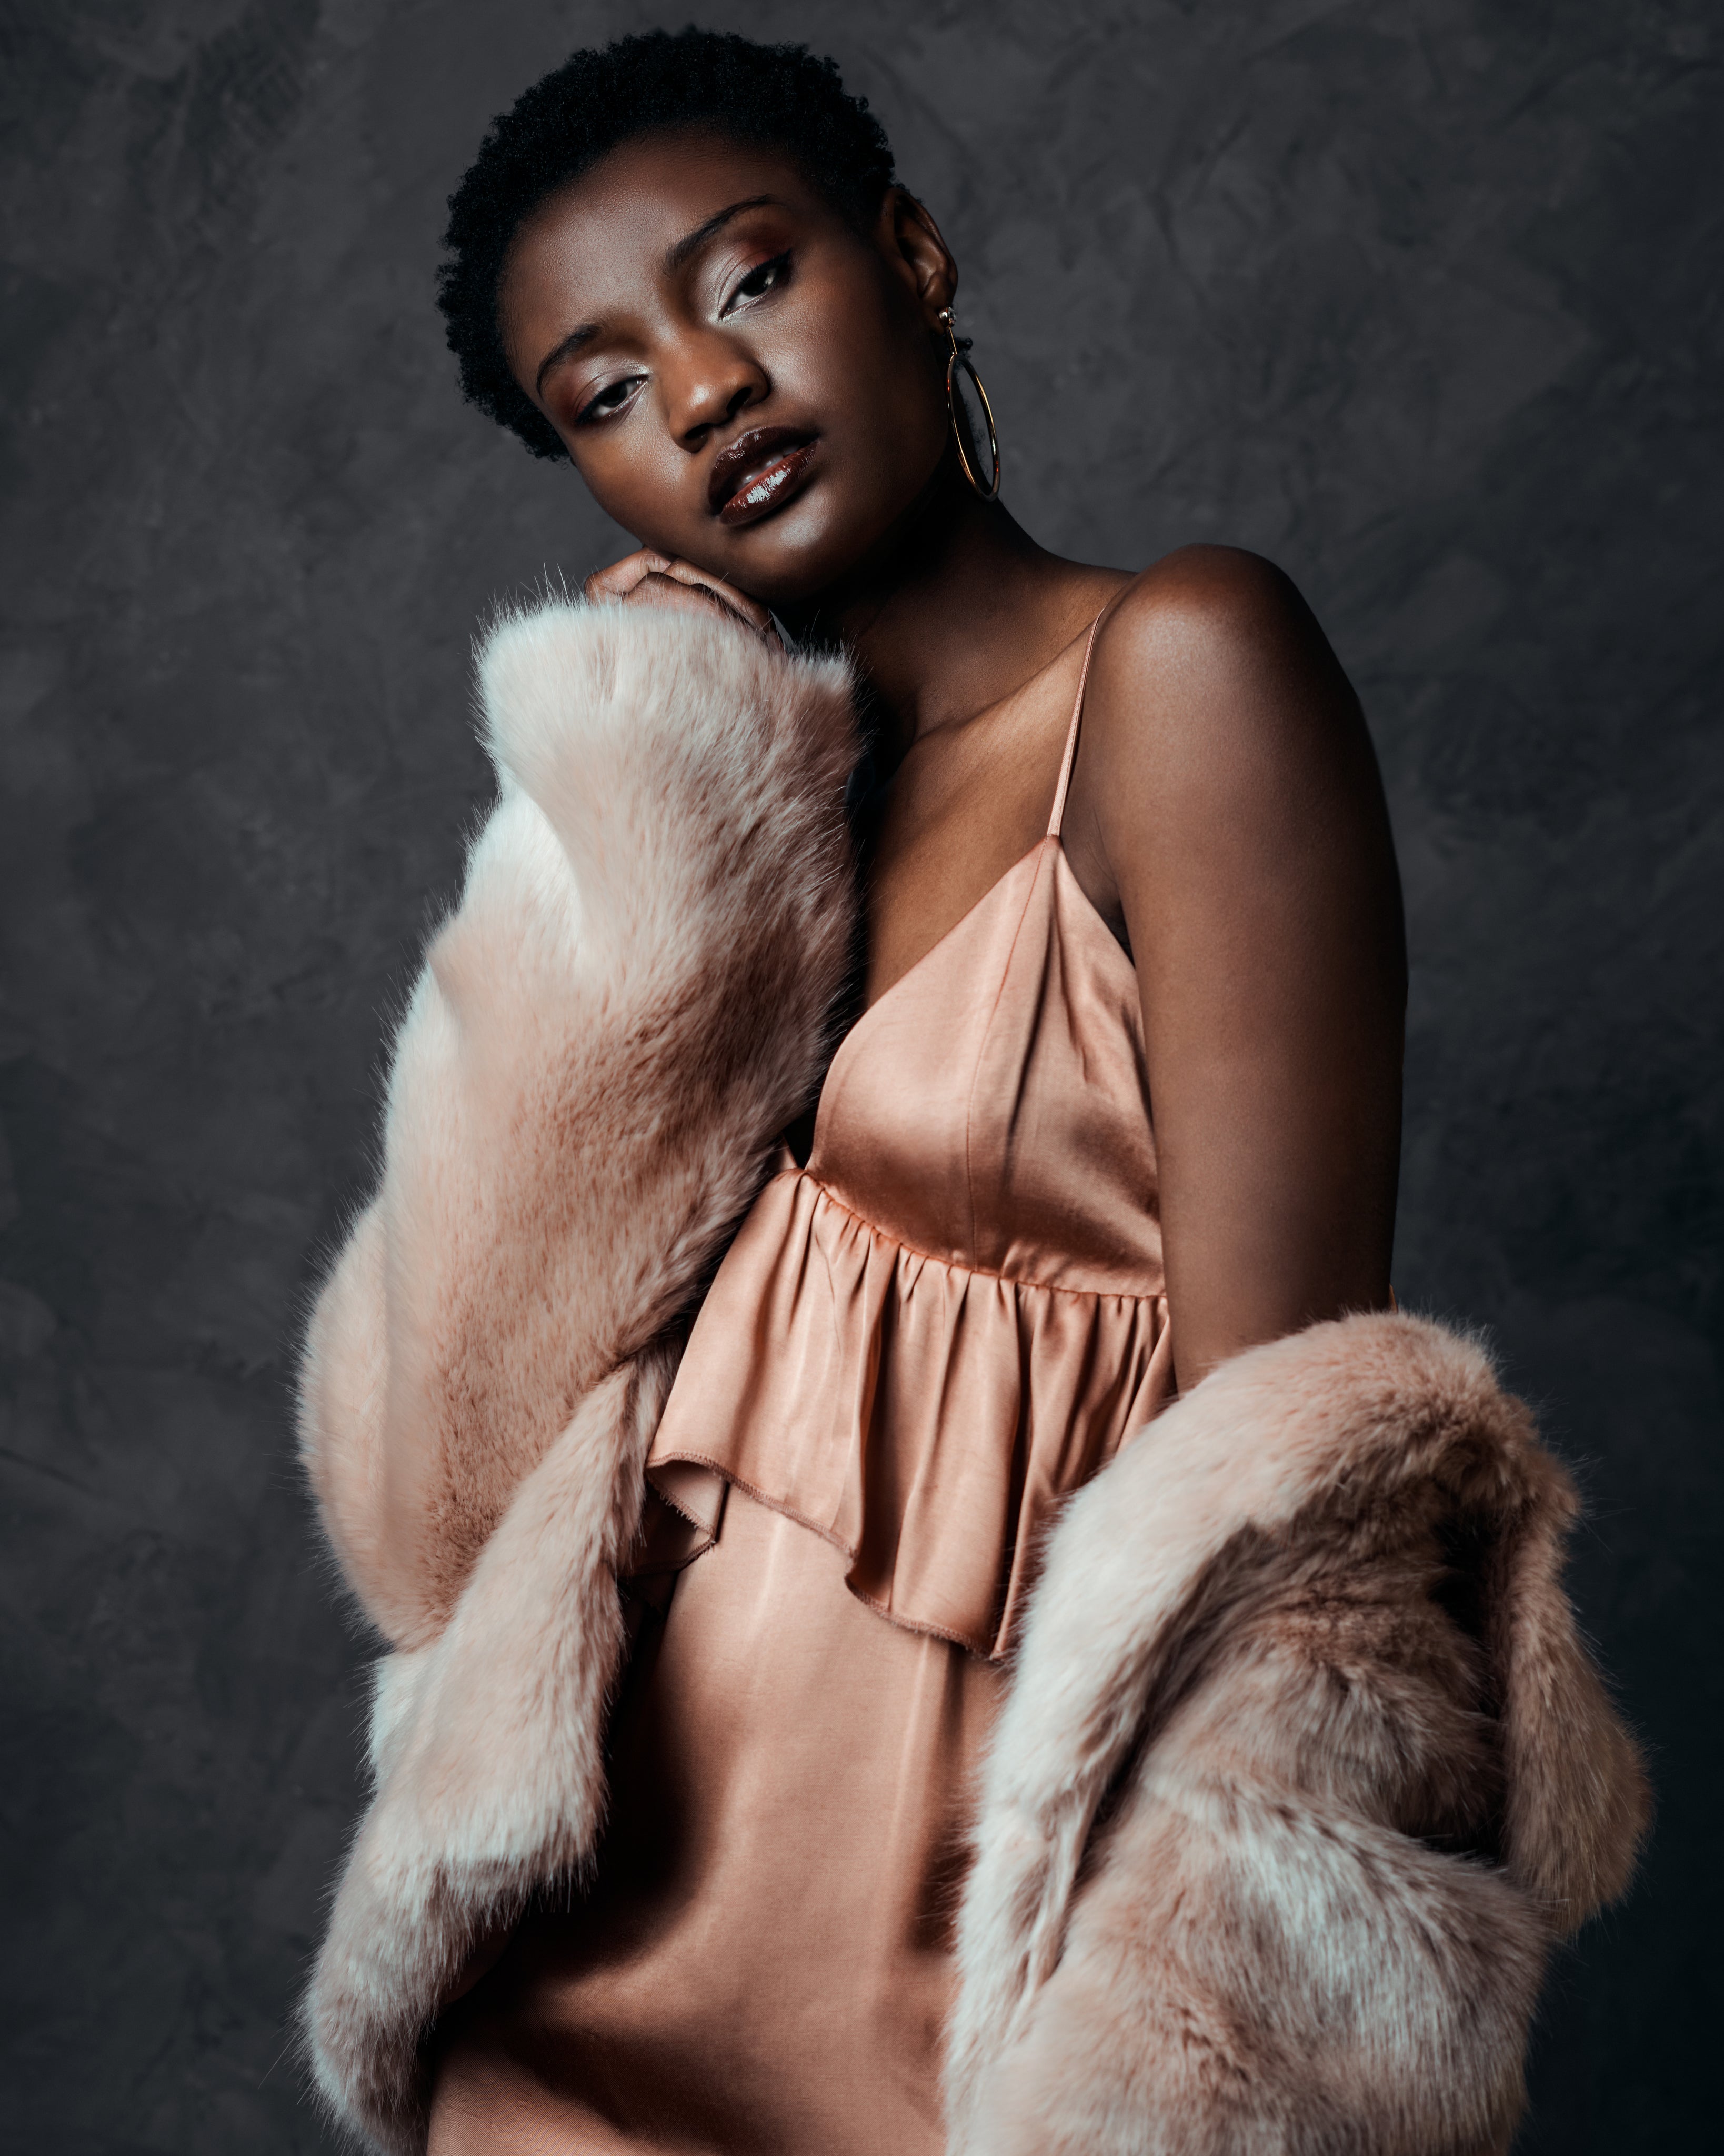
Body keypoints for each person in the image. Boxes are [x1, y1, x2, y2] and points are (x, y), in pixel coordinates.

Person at [295, 29, 1645, 2156]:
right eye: (604, 393)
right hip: (581, 1973)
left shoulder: (1183, 668)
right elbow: (441, 1501)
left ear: (909, 255)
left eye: (748, 280)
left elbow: (1286, 1502)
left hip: (967, 2007)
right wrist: (641, 794)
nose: (704, 392)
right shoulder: (739, 807)